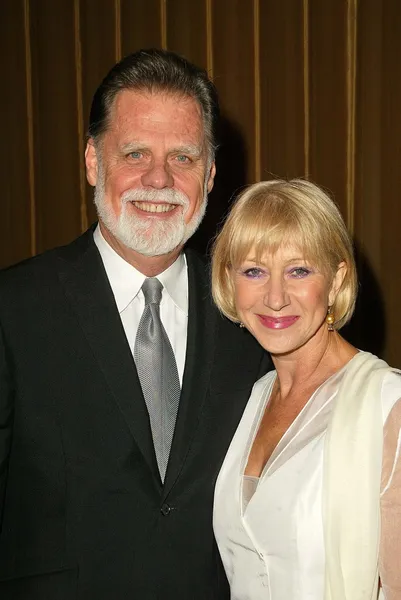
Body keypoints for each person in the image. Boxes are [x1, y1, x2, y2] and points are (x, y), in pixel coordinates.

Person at [0, 49, 270, 599]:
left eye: (184, 158)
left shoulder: (251, 316)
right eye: (136, 153)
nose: (159, 179)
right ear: (94, 162)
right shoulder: (13, 309)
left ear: (212, 174)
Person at [211, 179, 401, 600]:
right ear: (230, 282)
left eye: (299, 270)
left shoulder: (388, 406)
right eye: (254, 271)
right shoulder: (255, 396)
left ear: (335, 281)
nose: (275, 297)